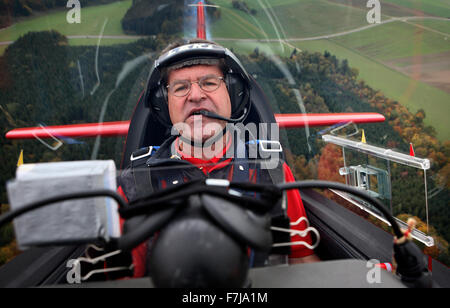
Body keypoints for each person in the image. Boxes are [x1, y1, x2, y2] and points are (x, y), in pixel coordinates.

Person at [118, 39, 319, 278]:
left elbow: (303, 265)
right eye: (180, 87)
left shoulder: (272, 171)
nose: (195, 95)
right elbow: (124, 282)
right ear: (164, 102)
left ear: (232, 93)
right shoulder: (136, 185)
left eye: (209, 83)